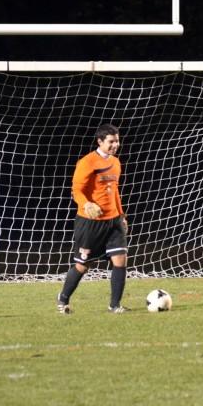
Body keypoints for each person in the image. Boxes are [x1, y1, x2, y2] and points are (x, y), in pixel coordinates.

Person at [57, 123, 130, 314]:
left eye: (117, 141)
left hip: (113, 221)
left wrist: (121, 215)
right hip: (90, 223)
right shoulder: (87, 162)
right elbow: (77, 190)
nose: (115, 145)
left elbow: (114, 192)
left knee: (120, 259)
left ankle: (115, 305)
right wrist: (86, 204)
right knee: (82, 265)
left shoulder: (116, 162)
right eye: (111, 142)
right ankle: (63, 299)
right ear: (100, 141)